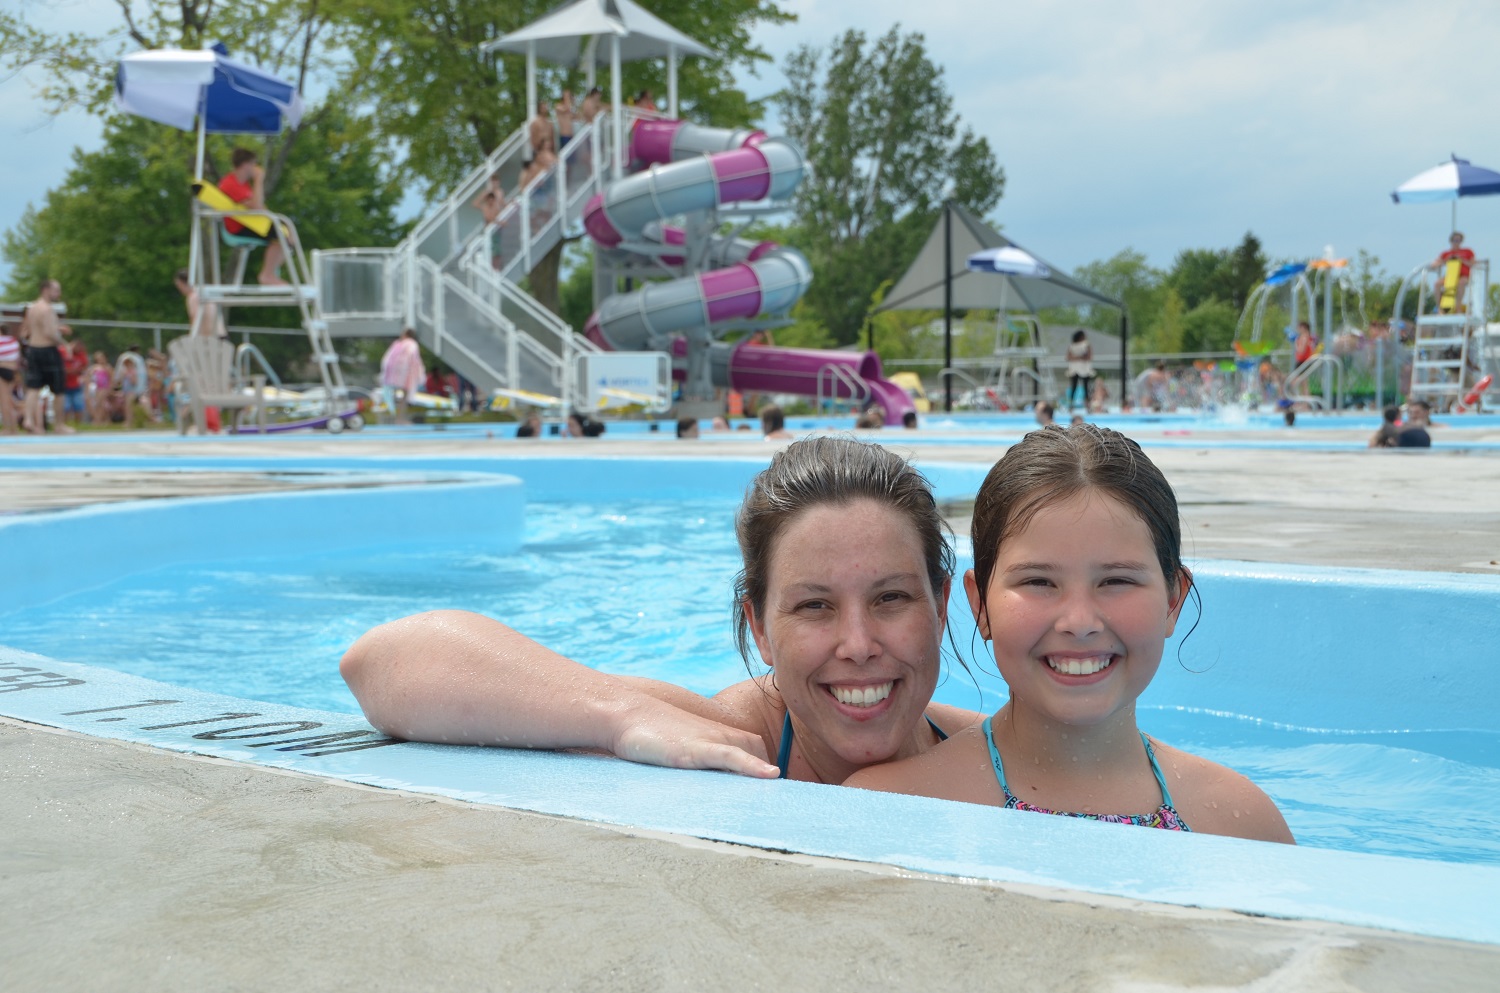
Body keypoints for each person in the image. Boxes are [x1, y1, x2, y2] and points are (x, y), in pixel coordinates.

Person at [340, 437, 980, 783]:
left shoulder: (989, 747)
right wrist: (621, 717)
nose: (858, 643)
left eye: (890, 598)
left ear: (942, 601)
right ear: (758, 626)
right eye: (814, 606)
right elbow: (381, 661)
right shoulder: (724, 734)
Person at [846, 425, 1294, 843]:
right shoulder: (891, 808)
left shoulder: (1242, 822)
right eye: (1039, 582)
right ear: (980, 604)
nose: (1079, 621)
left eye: (1116, 581)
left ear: (1173, 600)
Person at [218, 149, 289, 286]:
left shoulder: (242, 184)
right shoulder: (230, 183)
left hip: (249, 222)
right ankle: (267, 275)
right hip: (238, 227)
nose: (257, 168)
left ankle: (271, 273)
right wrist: (259, 180)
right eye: (254, 164)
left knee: (288, 235)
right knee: (282, 236)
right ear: (246, 165)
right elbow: (257, 205)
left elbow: (258, 205)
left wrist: (271, 217)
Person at [19, 279, 73, 435]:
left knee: (33, 387)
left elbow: (28, 331)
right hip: (48, 351)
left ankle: (28, 419)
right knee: (59, 389)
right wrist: (64, 344)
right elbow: (50, 333)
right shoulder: (47, 309)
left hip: (34, 349)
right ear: (46, 290)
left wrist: (57, 327)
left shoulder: (32, 308)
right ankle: (59, 425)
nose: (58, 294)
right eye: (56, 290)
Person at [379, 329, 424, 425]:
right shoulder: (412, 344)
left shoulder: (398, 344)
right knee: (404, 397)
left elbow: (387, 359)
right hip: (405, 374)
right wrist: (419, 375)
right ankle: (400, 419)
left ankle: (395, 417)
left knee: (393, 396)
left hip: (393, 374)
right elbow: (414, 360)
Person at [173, 269, 226, 338]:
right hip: (222, 334)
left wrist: (193, 337)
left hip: (210, 337)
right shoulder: (204, 293)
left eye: (178, 285)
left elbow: (196, 319)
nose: (179, 289)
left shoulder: (193, 297)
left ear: (182, 283)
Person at [1431, 231, 1475, 312]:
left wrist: (1462, 260)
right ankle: (1440, 308)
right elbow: (1434, 264)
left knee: (1461, 283)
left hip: (1463, 276)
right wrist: (1446, 260)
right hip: (1450, 277)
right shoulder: (1446, 253)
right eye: (1454, 240)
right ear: (1451, 241)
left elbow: (1473, 264)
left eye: (1458, 241)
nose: (1456, 243)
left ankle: (1458, 306)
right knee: (1437, 283)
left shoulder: (1467, 252)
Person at [60, 334, 89, 428]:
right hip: (64, 385)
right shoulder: (64, 353)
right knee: (66, 407)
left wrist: (79, 372)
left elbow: (84, 367)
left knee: (78, 406)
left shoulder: (81, 355)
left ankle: (78, 425)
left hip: (76, 385)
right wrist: (69, 370)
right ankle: (64, 424)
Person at [1065, 330, 1094, 412]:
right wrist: (1080, 358)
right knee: (1074, 387)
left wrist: (1077, 358)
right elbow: (1068, 357)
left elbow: (1089, 356)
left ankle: (1088, 406)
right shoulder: (1072, 346)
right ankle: (1071, 406)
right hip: (1075, 369)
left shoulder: (1086, 345)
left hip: (1084, 368)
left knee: (1086, 388)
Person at [0, 319, 20, 434]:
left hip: (1, 370)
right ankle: (14, 427)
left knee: (4, 401)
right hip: (11, 370)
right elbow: (16, 358)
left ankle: (7, 427)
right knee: (9, 399)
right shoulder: (13, 341)